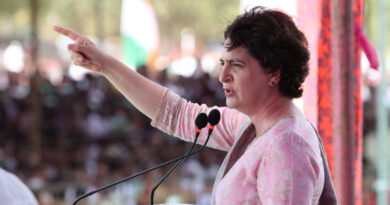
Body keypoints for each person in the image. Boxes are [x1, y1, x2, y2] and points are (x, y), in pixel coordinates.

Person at [54, 6, 337, 205]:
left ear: (274, 72)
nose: (223, 76)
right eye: (222, 64)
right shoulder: (255, 126)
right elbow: (176, 114)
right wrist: (104, 64)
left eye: (236, 65)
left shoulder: (285, 147)